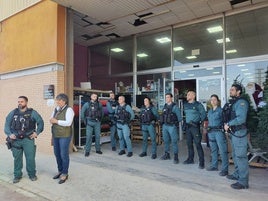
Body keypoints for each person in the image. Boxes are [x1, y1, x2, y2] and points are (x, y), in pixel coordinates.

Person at [4, 96, 44, 183]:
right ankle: (17, 175)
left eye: (21, 101)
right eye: (18, 101)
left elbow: (40, 122)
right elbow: (7, 124)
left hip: (28, 140)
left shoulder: (33, 113)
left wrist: (37, 133)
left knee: (30, 158)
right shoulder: (13, 113)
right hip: (16, 140)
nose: (19, 103)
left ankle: (32, 174)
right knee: (17, 159)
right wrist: (10, 134)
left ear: (26, 102)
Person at [223, 83, 249, 190]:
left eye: (233, 90)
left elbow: (241, 119)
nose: (230, 91)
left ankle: (243, 182)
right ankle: (237, 174)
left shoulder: (241, 102)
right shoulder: (235, 103)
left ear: (239, 91)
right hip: (234, 133)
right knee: (235, 155)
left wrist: (228, 124)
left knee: (241, 157)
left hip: (239, 133)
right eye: (230, 89)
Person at [50, 93, 74, 184]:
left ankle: (65, 173)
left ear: (64, 101)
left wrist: (56, 121)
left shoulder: (69, 110)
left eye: (58, 100)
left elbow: (68, 123)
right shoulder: (56, 109)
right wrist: (52, 120)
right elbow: (51, 118)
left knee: (64, 154)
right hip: (56, 134)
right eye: (57, 100)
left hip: (65, 135)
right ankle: (60, 171)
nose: (57, 102)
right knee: (57, 153)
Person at [183, 90, 206, 169]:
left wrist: (199, 121)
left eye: (189, 94)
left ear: (193, 96)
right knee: (189, 144)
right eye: (187, 95)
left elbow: (203, 114)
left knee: (198, 144)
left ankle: (201, 162)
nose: (187, 96)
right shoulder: (185, 105)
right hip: (188, 127)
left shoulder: (198, 105)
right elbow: (186, 115)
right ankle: (190, 159)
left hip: (195, 127)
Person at [206, 94, 228, 176]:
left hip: (219, 132)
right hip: (211, 132)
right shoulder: (210, 111)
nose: (213, 101)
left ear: (218, 101)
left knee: (222, 151)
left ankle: (225, 169)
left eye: (214, 99)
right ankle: (214, 166)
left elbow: (225, 121)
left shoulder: (221, 111)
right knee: (213, 150)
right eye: (211, 100)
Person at [160, 93, 182, 164]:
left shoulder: (175, 107)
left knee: (174, 142)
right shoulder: (165, 106)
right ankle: (167, 154)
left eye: (168, 97)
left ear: (171, 98)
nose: (167, 99)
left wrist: (174, 122)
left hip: (172, 126)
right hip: (165, 126)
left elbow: (179, 118)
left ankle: (176, 157)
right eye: (166, 97)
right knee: (166, 141)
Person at [81, 93, 104, 157]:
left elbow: (102, 113)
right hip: (89, 123)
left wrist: (99, 120)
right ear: (91, 97)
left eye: (96, 96)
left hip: (97, 122)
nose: (95, 97)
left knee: (97, 136)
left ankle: (98, 149)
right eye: (93, 96)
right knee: (88, 137)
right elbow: (82, 113)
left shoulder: (99, 104)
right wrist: (85, 122)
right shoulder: (86, 104)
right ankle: (87, 151)